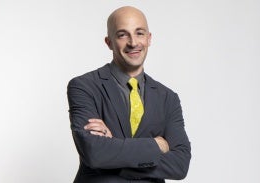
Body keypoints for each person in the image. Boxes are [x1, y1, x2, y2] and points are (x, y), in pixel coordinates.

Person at [67, 6, 191, 183]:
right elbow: (95, 154)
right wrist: (157, 145)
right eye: (122, 35)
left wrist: (115, 150)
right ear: (109, 42)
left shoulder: (168, 98)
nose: (133, 42)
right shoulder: (84, 86)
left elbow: (180, 165)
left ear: (149, 39)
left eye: (139, 33)